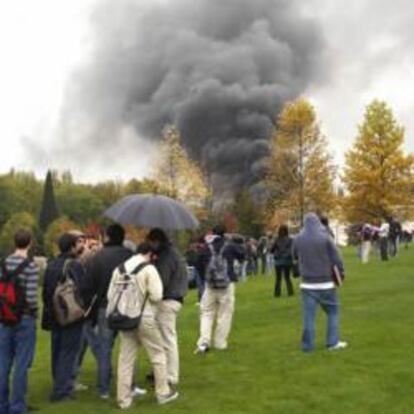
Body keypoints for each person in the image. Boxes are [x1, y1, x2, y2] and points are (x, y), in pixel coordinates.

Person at [114, 243, 178, 409]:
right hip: (144, 317)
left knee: (125, 359)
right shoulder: (149, 269)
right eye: (153, 255)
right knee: (158, 354)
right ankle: (163, 392)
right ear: (149, 253)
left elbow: (111, 295)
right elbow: (157, 296)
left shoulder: (119, 269)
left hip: (123, 317)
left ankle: (124, 399)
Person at [42, 232, 91, 402]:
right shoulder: (74, 265)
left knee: (57, 350)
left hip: (54, 313)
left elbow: (46, 290)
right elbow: (83, 289)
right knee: (69, 352)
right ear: (72, 247)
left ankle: (58, 383)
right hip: (71, 314)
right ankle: (61, 390)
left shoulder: (51, 264)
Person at [87, 224, 134, 398]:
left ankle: (104, 388)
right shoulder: (130, 256)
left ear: (107, 236)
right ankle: (130, 385)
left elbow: (91, 283)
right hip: (126, 306)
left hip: (105, 306)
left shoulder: (98, 257)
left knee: (105, 349)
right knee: (128, 347)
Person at [293, 213, 346, 352]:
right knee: (333, 312)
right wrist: (341, 273)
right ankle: (332, 342)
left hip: (307, 284)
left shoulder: (298, 239)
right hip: (326, 283)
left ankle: (307, 346)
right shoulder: (325, 237)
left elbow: (294, 255)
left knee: (308, 317)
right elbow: (336, 258)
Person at [0, 229, 39, 414]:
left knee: (3, 362)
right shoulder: (30, 266)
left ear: (15, 242)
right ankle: (17, 406)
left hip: (4, 317)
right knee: (21, 365)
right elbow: (31, 298)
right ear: (29, 243)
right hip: (24, 317)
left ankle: (2, 405)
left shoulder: (4, 263)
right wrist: (34, 313)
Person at [146, 229, 188, 389]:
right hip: (173, 298)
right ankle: (160, 371)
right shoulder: (171, 253)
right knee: (162, 338)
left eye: (151, 242)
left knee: (167, 338)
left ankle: (170, 376)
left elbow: (161, 281)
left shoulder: (166, 257)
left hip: (168, 299)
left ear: (156, 241)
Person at [195, 224, 245, 354]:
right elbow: (243, 254)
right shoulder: (229, 246)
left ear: (213, 233)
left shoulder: (206, 247)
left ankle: (204, 342)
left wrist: (206, 278)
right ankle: (220, 343)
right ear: (224, 233)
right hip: (227, 284)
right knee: (225, 314)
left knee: (206, 313)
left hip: (210, 286)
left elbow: (198, 264)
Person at [270, 225, 294, 297]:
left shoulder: (277, 239)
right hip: (287, 260)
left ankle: (277, 293)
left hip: (278, 261)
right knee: (287, 277)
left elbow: (271, 250)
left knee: (278, 278)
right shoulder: (290, 240)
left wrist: (277, 253)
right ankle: (290, 292)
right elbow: (292, 250)